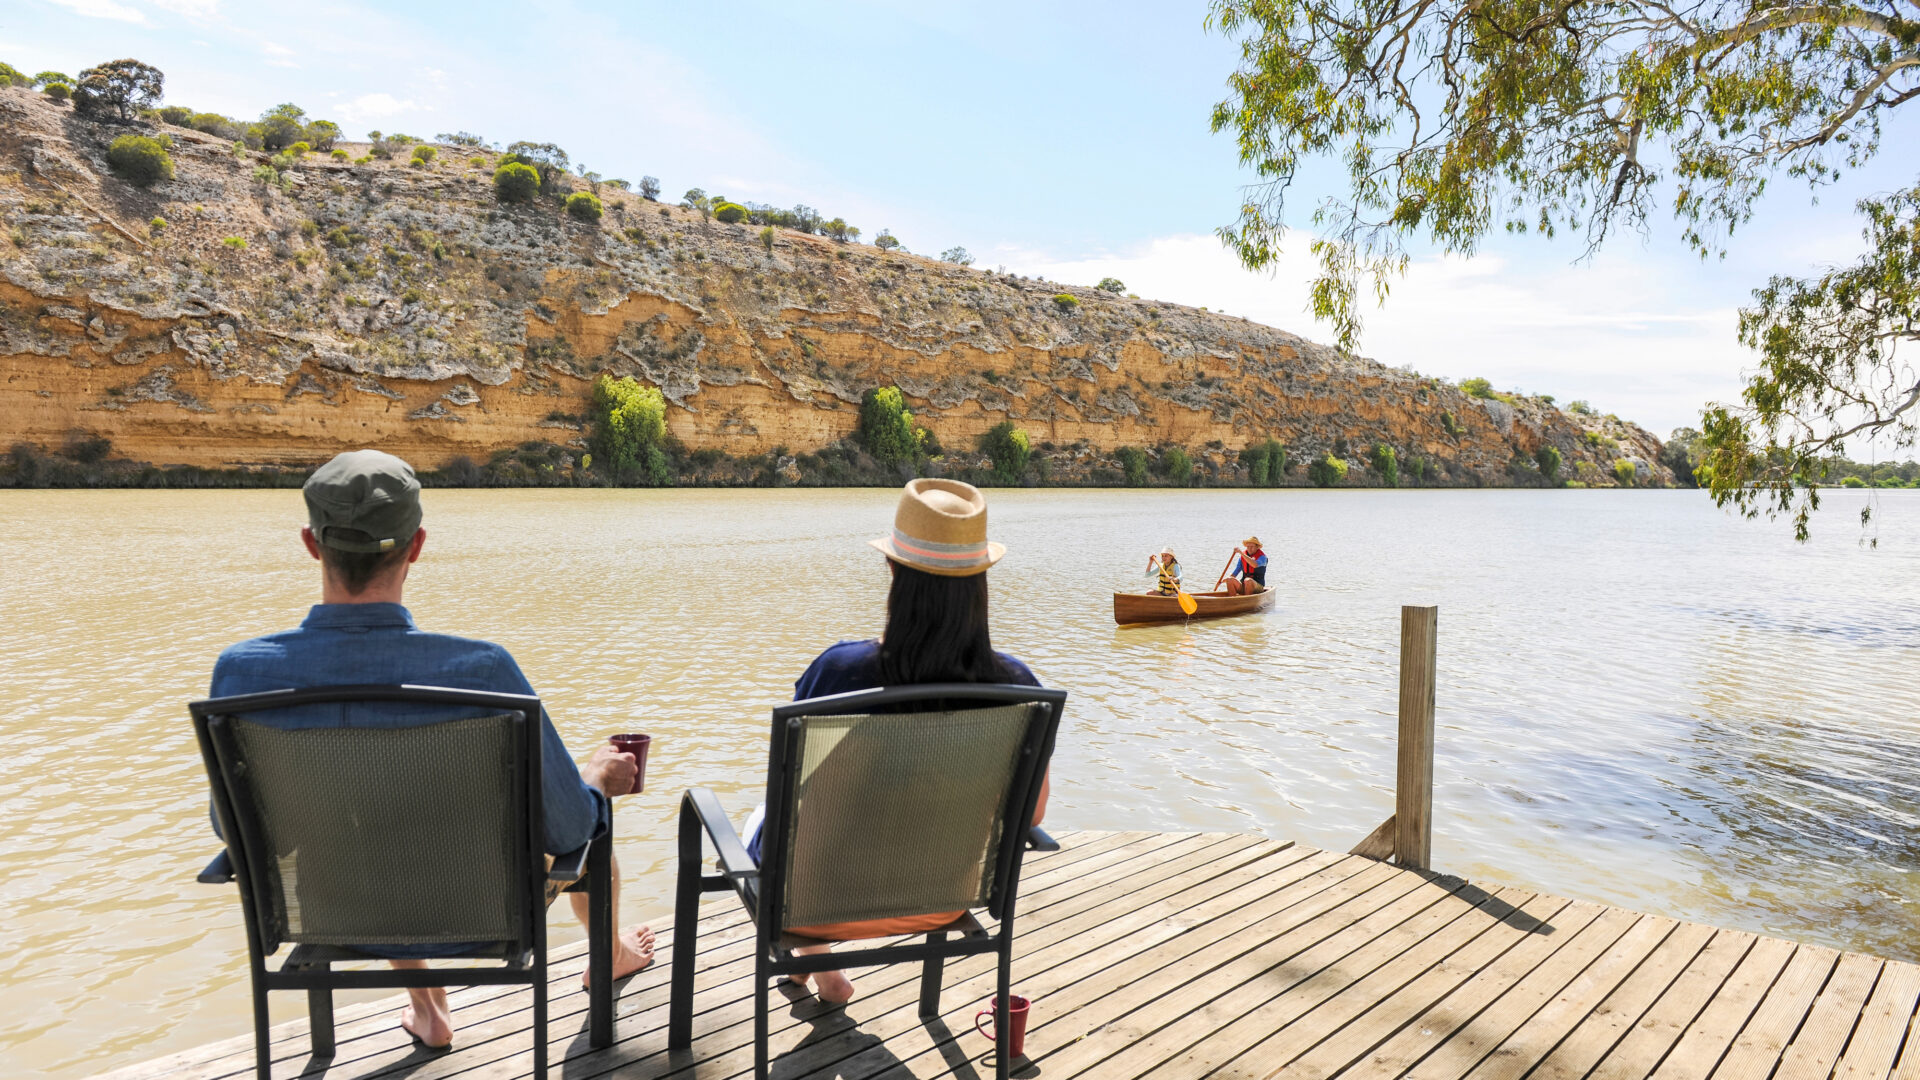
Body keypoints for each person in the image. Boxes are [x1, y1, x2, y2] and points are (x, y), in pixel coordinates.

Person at [208, 450, 656, 1052]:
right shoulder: (481, 670)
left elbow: (233, 826)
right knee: (581, 815)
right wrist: (597, 777)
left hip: (326, 912)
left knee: (363, 827)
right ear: (416, 546)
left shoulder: (243, 675)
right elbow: (567, 826)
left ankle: (430, 1011)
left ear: (313, 545)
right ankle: (611, 955)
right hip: (478, 912)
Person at [741, 478, 1049, 1007]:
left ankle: (815, 965)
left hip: (813, 906)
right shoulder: (1016, 687)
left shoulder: (841, 671)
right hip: (942, 898)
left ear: (892, 570)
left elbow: (791, 794)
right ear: (981, 580)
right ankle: (819, 971)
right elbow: (1033, 814)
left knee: (760, 816)